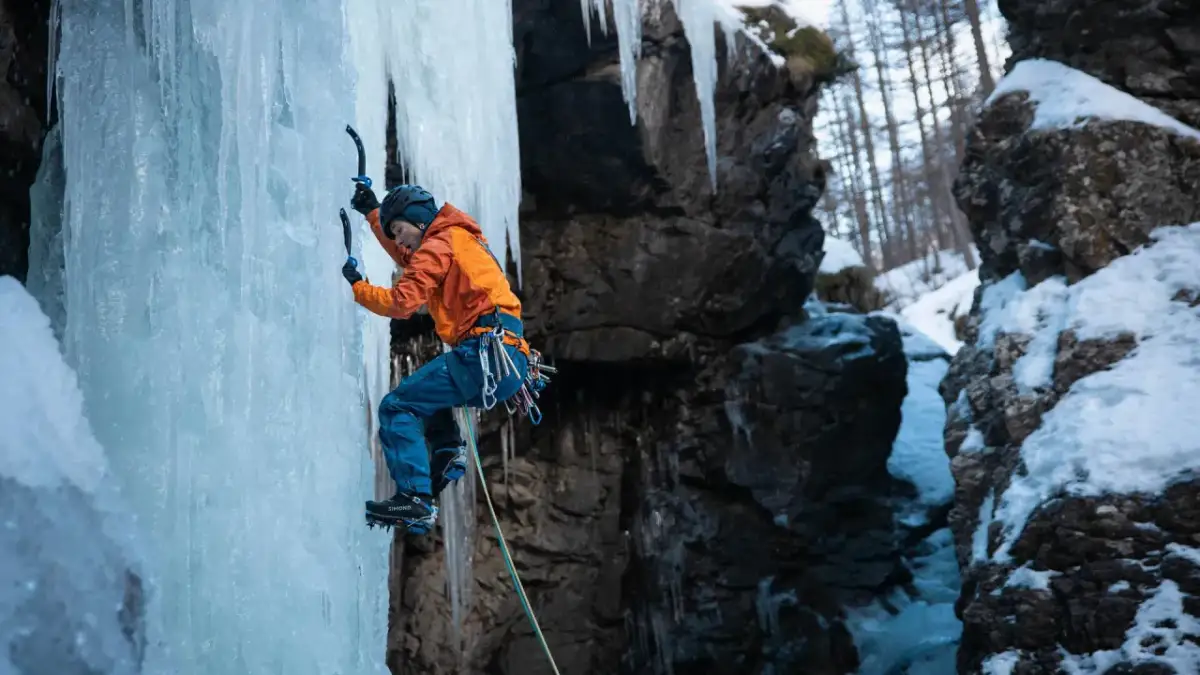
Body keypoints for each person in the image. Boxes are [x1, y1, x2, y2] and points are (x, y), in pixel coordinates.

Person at [343, 182, 529, 533]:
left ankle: (416, 497)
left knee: (397, 407)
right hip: (509, 361)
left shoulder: (440, 243)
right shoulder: (459, 239)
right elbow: (412, 259)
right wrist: (373, 215)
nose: (399, 243)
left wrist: (358, 288)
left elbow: (402, 302)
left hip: (483, 353)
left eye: (399, 230)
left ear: (417, 219)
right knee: (426, 397)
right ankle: (447, 453)